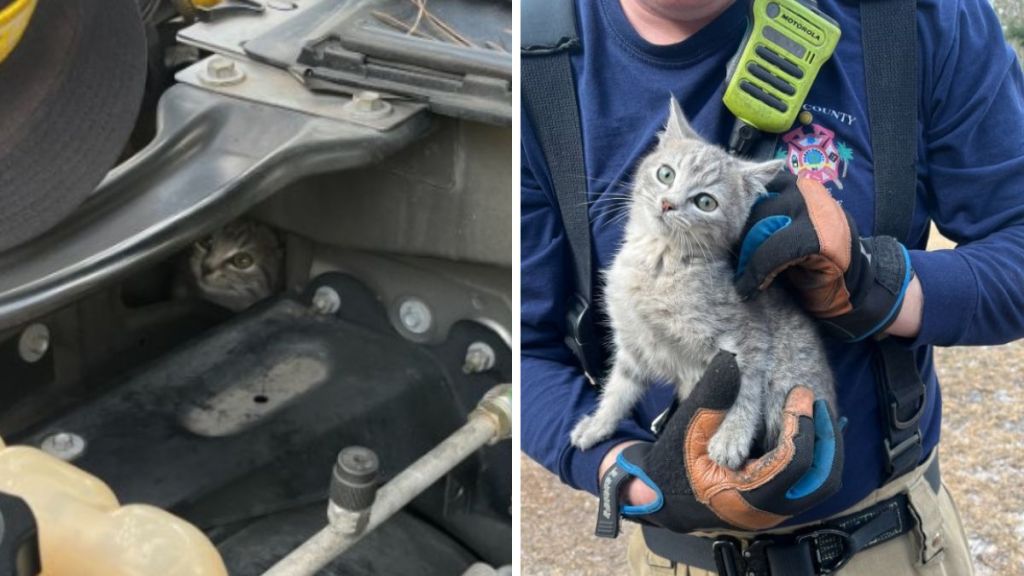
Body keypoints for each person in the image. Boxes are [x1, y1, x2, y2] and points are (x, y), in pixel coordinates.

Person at [521, 0, 1024, 573]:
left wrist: (880, 283)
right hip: (672, 557)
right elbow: (525, 348)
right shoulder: (535, 59)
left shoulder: (918, 15)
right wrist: (635, 479)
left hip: (886, 546)